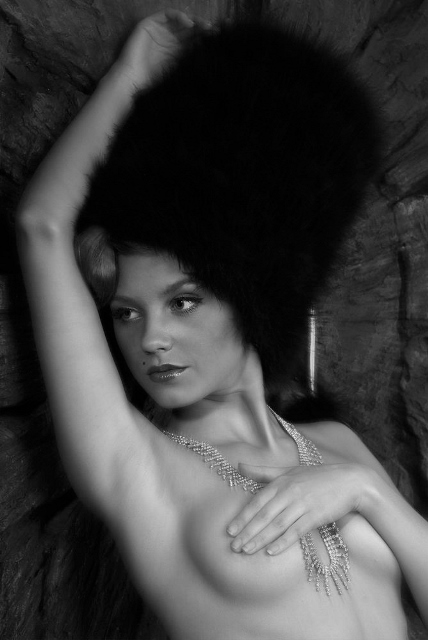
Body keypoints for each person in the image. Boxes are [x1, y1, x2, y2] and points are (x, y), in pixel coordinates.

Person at [16, 9, 428, 640]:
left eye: (183, 302)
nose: (151, 338)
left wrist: (365, 489)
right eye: (126, 313)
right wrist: (132, 74)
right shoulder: (138, 466)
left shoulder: (340, 445)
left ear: (252, 294)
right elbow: (41, 227)